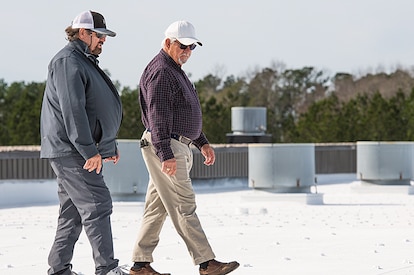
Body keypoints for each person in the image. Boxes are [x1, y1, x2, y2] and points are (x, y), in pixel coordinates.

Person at [130, 20, 239, 275]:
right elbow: (158, 116)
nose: (187, 52)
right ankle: (206, 262)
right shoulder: (161, 71)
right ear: (168, 43)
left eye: (192, 47)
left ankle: (140, 264)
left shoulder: (174, 69)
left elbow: (182, 113)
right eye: (183, 46)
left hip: (175, 144)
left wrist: (201, 142)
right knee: (183, 203)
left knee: (157, 208)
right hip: (166, 145)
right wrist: (166, 154)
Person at [40, 10, 127, 275]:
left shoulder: (82, 60)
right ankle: (107, 268)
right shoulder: (68, 61)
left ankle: (58, 270)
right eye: (99, 35)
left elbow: (92, 109)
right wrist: (90, 150)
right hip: (72, 150)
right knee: (98, 204)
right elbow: (73, 110)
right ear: (82, 33)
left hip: (74, 149)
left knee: (73, 212)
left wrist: (106, 146)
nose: (103, 40)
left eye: (104, 36)